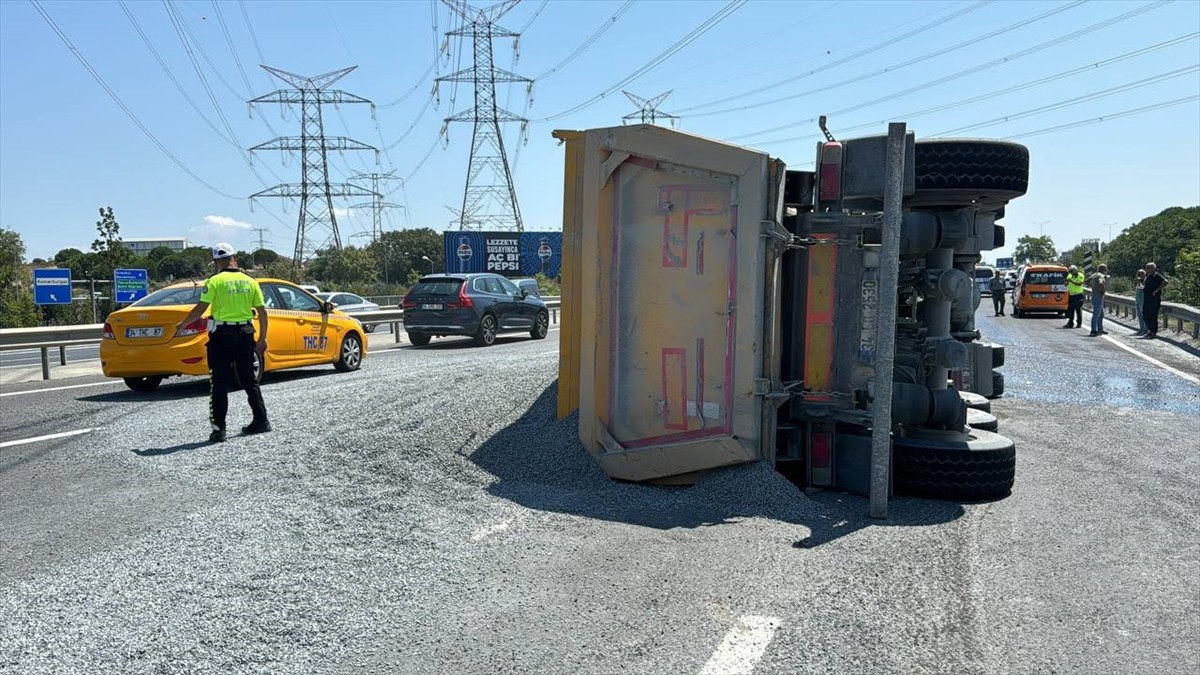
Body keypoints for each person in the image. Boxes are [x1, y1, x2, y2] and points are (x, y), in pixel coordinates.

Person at [176, 243, 270, 443]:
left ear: (216, 262)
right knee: (249, 379)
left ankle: (219, 429)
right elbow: (262, 311)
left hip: (222, 335)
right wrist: (262, 339)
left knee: (219, 381)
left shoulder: (214, 281)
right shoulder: (250, 281)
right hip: (246, 333)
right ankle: (261, 420)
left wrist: (183, 325)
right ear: (234, 257)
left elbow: (201, 307)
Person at [1140, 262, 1168, 340]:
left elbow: (1165, 282)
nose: (1147, 270)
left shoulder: (1157, 276)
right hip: (1147, 299)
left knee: (1153, 316)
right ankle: (1150, 330)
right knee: (1145, 315)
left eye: (1148, 268)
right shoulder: (1148, 277)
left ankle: (1153, 332)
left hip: (1154, 299)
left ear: (1153, 268)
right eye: (1146, 268)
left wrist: (1156, 290)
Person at [1087, 263, 1108, 336]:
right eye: (1106, 269)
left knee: (1101, 314)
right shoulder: (1101, 275)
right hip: (1099, 296)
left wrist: (1093, 286)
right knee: (1096, 314)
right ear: (1104, 269)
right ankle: (1093, 330)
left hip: (1094, 295)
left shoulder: (1094, 275)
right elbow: (1101, 283)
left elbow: (1087, 281)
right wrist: (1102, 291)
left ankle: (1100, 329)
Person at [1134, 269, 1148, 335]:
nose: (1141, 275)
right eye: (1139, 274)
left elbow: (1143, 287)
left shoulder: (1146, 281)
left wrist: (1139, 282)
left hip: (1143, 301)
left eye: (1142, 274)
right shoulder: (1138, 281)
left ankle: (1145, 329)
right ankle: (1141, 329)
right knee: (1139, 316)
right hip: (1138, 301)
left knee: (1144, 316)